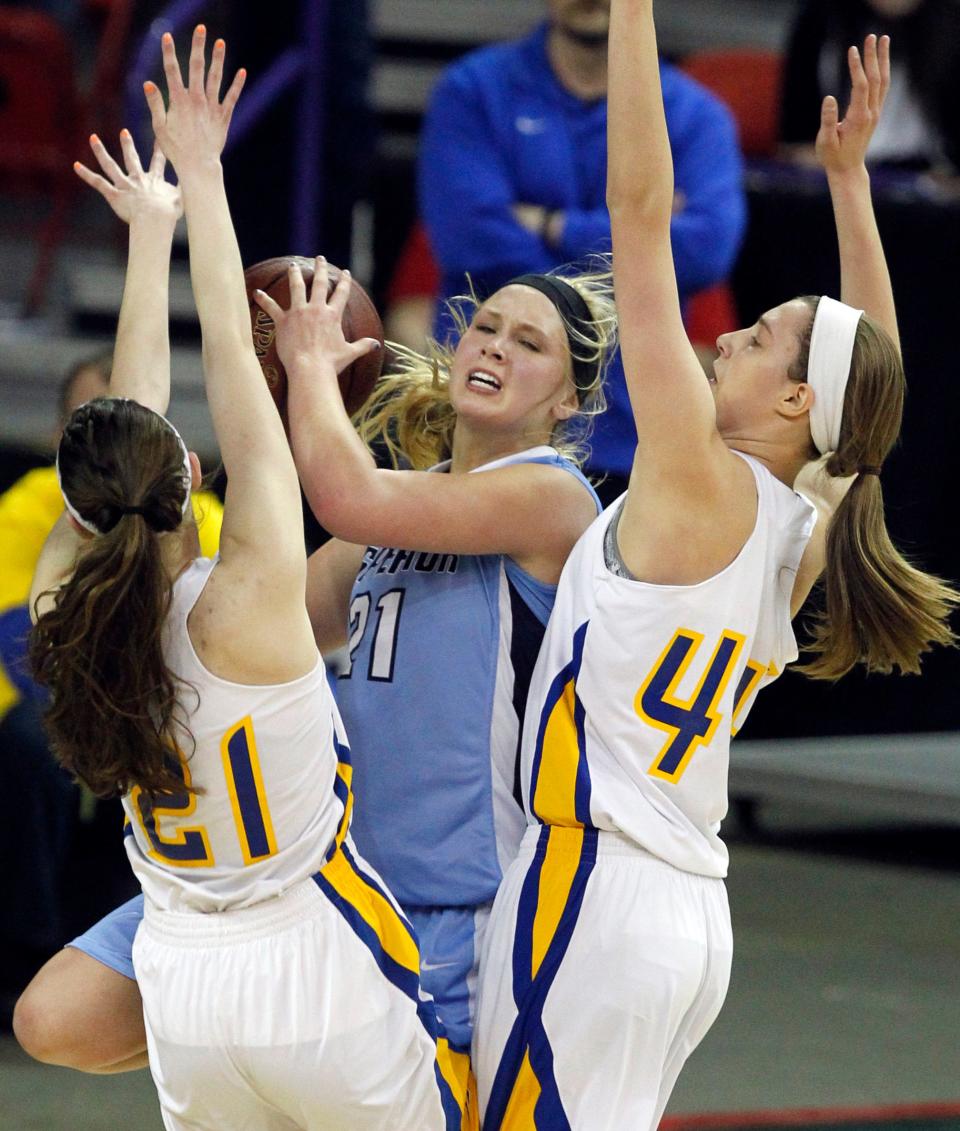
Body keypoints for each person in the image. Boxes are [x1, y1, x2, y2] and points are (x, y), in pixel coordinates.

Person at [14, 49, 619, 1124]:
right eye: (484, 324)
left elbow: (325, 490)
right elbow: (286, 556)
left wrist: (252, 327)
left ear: (572, 399)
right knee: (64, 1019)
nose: (491, 345)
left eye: (527, 342)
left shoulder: (549, 499)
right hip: (309, 890)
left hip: (434, 886)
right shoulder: (359, 526)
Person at [473, 15, 957, 1130]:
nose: (731, 335)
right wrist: (848, 188)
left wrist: (636, 12)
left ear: (794, 404)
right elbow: (867, 385)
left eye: (763, 336)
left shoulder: (696, 474)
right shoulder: (804, 520)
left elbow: (639, 216)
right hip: (684, 909)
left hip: (590, 886)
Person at [417, 0, 746, 497]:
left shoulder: (700, 117)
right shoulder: (472, 90)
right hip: (478, 433)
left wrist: (551, 224)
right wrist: (644, 238)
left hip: (633, 441)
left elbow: (706, 250)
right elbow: (469, 238)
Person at [0, 363, 223, 1023]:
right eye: (90, 428)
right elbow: (21, 638)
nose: (109, 446)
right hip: (49, 691)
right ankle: (27, 946)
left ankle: (167, 942)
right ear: (59, 441)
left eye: (124, 426)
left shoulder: (198, 513)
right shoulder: (32, 501)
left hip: (172, 704)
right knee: (30, 747)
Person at [779, 0, 960, 177]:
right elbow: (794, 138)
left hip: (923, 175)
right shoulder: (820, 19)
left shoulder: (951, 26)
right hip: (833, 168)